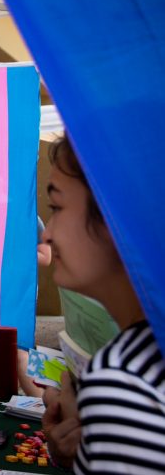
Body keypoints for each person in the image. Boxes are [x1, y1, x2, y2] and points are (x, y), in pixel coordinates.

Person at [41, 136, 165, 473]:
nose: (48, 234)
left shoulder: (122, 380)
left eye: (57, 208)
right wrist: (80, 457)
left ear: (117, 217)